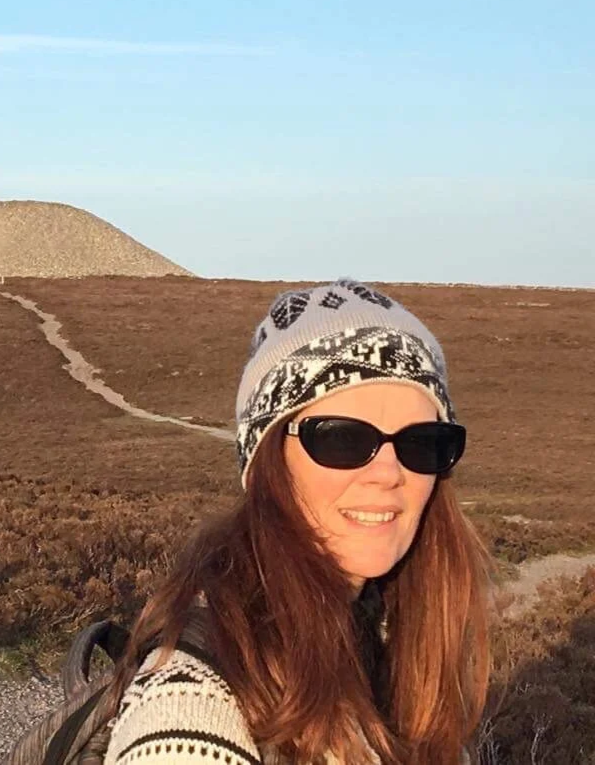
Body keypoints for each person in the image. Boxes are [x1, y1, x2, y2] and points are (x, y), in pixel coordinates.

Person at [101, 278, 494, 765]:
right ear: (267, 463)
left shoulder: (394, 637)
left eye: (422, 443)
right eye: (342, 439)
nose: (389, 473)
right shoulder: (188, 707)